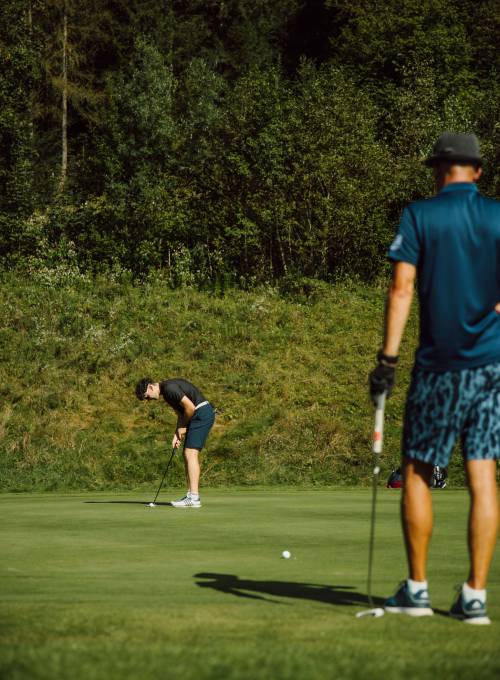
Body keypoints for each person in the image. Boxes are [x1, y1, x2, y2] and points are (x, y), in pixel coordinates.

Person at [369, 132, 500, 624]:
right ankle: (475, 598)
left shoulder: (420, 214)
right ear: (478, 171)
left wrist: (387, 359)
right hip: (490, 365)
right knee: (482, 474)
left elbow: (402, 288)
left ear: (438, 169)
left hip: (438, 367)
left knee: (419, 470)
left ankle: (417, 590)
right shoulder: (497, 215)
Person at [135, 377, 216, 508]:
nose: (148, 400)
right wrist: (177, 433)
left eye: (147, 397)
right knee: (186, 454)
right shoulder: (167, 392)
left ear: (150, 387)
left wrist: (183, 427)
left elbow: (190, 407)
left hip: (201, 414)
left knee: (191, 453)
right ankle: (191, 494)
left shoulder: (169, 388)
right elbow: (181, 413)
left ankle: (194, 498)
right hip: (198, 415)